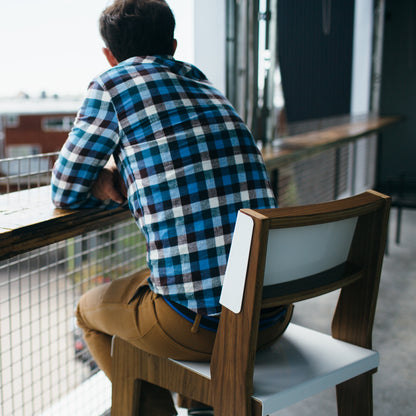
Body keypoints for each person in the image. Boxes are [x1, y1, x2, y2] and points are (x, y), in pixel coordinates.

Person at [51, 0, 292, 414]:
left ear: (109, 55)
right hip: (269, 316)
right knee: (190, 277)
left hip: (205, 330)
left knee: (89, 314)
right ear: (174, 46)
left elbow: (65, 189)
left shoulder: (112, 84)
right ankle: (200, 407)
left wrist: (107, 179)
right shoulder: (208, 89)